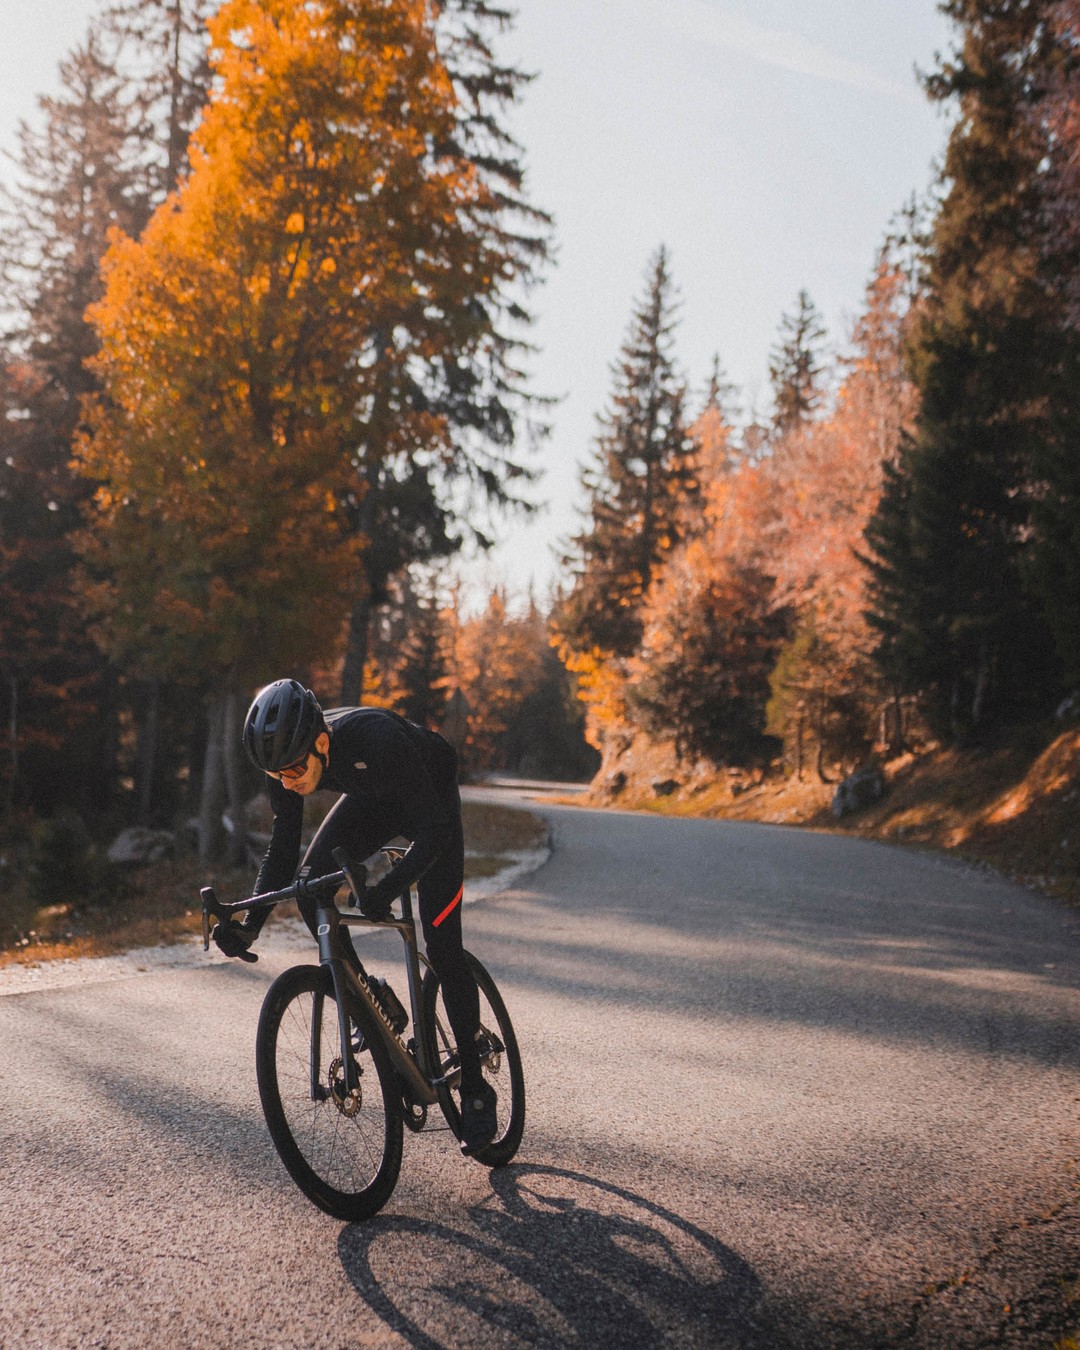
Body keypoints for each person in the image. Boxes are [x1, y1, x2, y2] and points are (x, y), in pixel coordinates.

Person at [212, 677, 497, 1155]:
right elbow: (282, 852)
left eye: (296, 769)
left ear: (322, 742)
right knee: (309, 887)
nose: (288, 781)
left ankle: (475, 1090)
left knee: (443, 944)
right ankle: (371, 1001)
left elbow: (434, 830)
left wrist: (386, 886)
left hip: (431, 800)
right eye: (278, 775)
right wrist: (250, 925)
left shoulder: (377, 738)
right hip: (374, 799)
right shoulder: (287, 761)